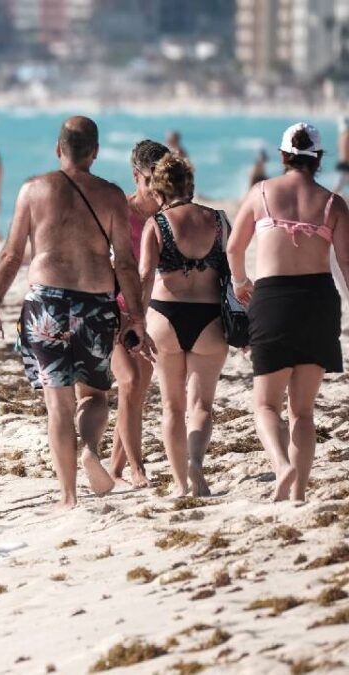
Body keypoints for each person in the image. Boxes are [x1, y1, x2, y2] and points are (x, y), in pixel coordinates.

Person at [0, 117, 149, 509]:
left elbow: (10, 254)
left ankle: (68, 495)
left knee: (57, 402)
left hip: (45, 304)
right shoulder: (111, 196)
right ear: (95, 152)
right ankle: (89, 447)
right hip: (95, 303)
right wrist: (136, 316)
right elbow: (124, 263)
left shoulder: (32, 190)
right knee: (94, 395)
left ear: (59, 150)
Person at [228, 122, 349, 502]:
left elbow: (234, 248)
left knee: (265, 403)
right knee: (303, 411)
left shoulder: (261, 192)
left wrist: (239, 283)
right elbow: (346, 261)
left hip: (273, 300)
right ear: (318, 159)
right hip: (318, 301)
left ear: (283, 156)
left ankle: (282, 466)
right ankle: (297, 494)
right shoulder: (333, 202)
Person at [138, 153, 230, 497]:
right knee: (201, 406)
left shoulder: (157, 224)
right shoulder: (219, 221)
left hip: (165, 316)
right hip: (208, 318)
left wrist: (135, 318)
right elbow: (231, 271)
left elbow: (146, 275)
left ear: (159, 191)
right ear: (190, 185)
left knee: (172, 407)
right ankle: (195, 463)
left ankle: (180, 484)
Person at [108, 140, 169, 489]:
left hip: (148, 313)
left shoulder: (167, 214)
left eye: (162, 178)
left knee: (135, 394)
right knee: (128, 382)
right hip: (115, 310)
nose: (157, 187)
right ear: (136, 176)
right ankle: (137, 469)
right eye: (150, 179)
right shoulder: (120, 213)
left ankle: (115, 471)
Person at [335, 116, 349, 196]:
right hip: (345, 164)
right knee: (338, 185)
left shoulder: (341, 136)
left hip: (342, 163)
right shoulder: (346, 136)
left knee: (339, 185)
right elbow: (345, 153)